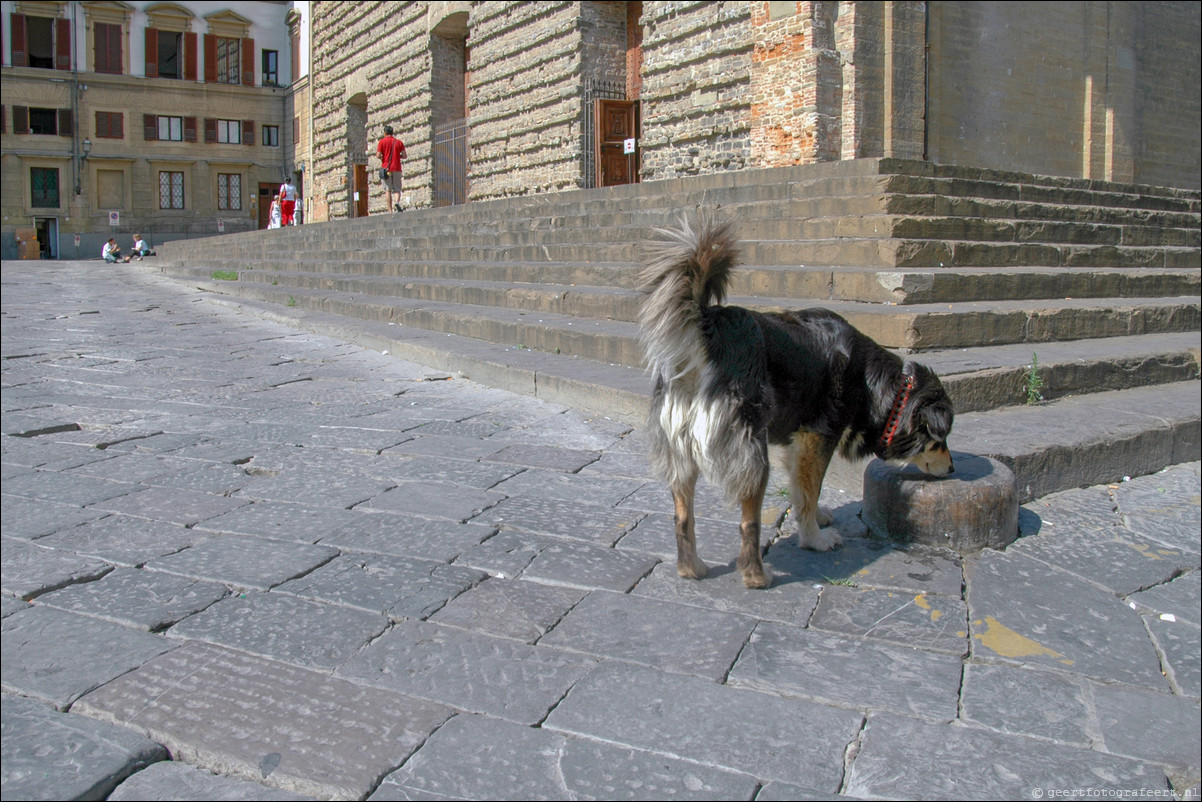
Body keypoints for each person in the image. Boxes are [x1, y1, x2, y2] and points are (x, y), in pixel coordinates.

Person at [375, 124, 407, 213]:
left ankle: (390, 211)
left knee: (387, 189)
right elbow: (404, 155)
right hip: (397, 167)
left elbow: (378, 155)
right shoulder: (399, 142)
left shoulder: (381, 142)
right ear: (392, 133)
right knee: (397, 188)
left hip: (386, 168)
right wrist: (397, 156)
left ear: (385, 133)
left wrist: (383, 158)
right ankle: (397, 202)